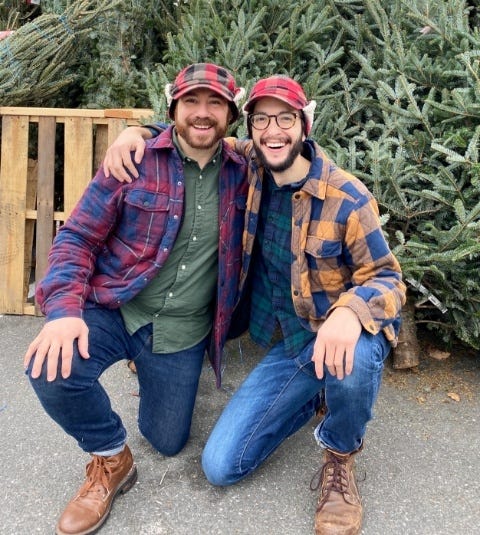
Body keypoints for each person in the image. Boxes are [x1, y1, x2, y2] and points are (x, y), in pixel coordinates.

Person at [105, 75, 406, 535]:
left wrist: (347, 312)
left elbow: (387, 277)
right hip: (290, 346)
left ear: (305, 125)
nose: (273, 130)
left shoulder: (348, 196)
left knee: (359, 355)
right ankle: (308, 398)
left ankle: (340, 455)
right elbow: (194, 132)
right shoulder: (249, 166)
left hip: (334, 338)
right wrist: (138, 134)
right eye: (261, 119)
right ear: (249, 129)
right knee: (221, 467)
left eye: (285, 118)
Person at [23, 62, 248, 535]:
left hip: (182, 330)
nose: (202, 114)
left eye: (215, 104)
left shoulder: (244, 172)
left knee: (167, 441)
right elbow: (77, 238)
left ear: (232, 114)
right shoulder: (135, 160)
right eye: (192, 102)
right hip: (117, 306)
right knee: (50, 368)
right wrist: (63, 312)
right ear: (173, 109)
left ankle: (148, 368)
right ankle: (110, 458)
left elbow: (290, 152)